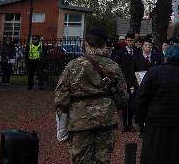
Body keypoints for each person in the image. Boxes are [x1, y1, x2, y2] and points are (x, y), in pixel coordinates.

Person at [53, 30, 126, 164]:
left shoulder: (73, 65)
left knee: (80, 160)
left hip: (80, 120)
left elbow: (60, 97)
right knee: (103, 160)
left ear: (86, 44)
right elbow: (123, 96)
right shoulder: (113, 66)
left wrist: (62, 126)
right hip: (106, 119)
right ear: (104, 44)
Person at [136, 44, 179, 164]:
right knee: (178, 155)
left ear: (166, 56)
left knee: (155, 155)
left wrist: (141, 118)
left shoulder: (153, 72)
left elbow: (142, 97)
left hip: (156, 121)